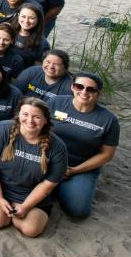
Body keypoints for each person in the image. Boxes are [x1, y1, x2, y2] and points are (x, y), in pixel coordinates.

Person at [0, 98, 67, 237]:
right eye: (25, 114)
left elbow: (48, 184)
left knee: (31, 230)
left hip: (28, 192)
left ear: (46, 120)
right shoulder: (1, 130)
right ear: (18, 115)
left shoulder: (57, 147)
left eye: (37, 117)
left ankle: (14, 209)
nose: (30, 120)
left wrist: (26, 207)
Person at [47, 73, 119, 219]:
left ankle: (66, 186)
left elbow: (107, 154)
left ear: (98, 93)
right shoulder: (55, 103)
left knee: (77, 210)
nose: (84, 92)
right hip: (48, 159)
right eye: (79, 86)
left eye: (91, 89)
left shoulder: (109, 120)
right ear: (72, 87)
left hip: (80, 167)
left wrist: (74, 170)